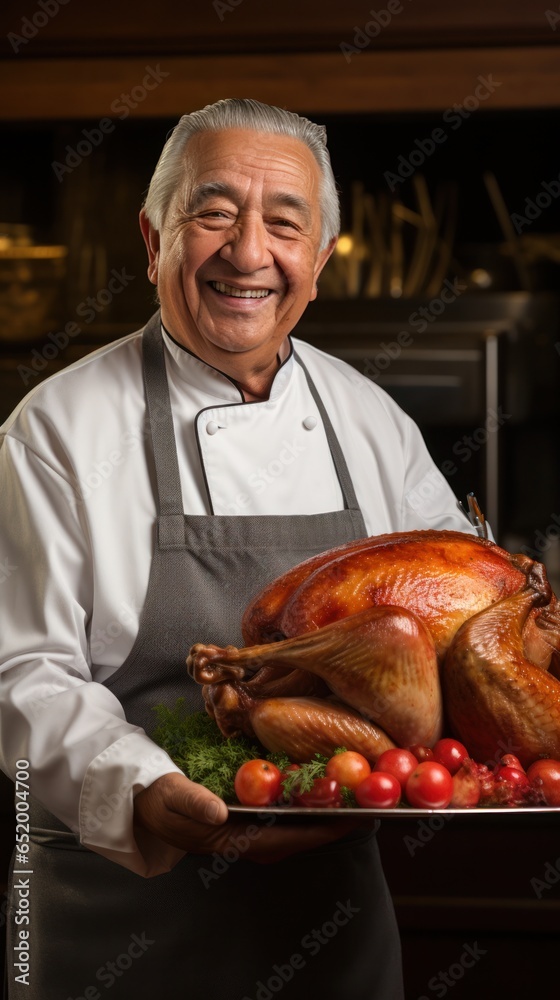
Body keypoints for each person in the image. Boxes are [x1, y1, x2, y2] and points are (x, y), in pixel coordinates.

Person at [0, 98, 477, 1000]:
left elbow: (457, 616)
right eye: (213, 213)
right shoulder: (55, 431)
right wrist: (140, 787)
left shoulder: (371, 423)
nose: (249, 253)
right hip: (113, 925)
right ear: (153, 240)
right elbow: (21, 674)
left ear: (320, 263)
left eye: (284, 224)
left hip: (330, 924)